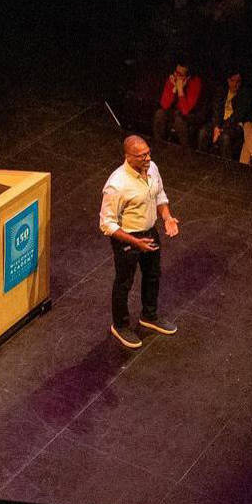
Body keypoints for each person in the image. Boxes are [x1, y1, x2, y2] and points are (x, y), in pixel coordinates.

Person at [99, 136, 182, 349]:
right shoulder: (117, 184)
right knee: (124, 282)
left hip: (150, 232)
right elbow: (106, 224)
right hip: (128, 238)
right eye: (142, 155)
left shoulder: (152, 168)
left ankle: (149, 315)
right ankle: (120, 325)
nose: (148, 157)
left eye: (148, 152)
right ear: (128, 156)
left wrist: (167, 218)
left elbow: (159, 195)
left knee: (153, 275)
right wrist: (135, 242)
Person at [202, 69, 252, 160]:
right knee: (203, 132)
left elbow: (237, 115)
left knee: (225, 137)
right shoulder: (222, 91)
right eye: (233, 81)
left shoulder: (243, 95)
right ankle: (201, 160)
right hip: (220, 123)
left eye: (238, 82)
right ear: (228, 80)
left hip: (234, 125)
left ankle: (227, 166)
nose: (236, 84)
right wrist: (217, 126)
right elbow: (216, 109)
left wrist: (221, 129)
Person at [150, 61, 203, 148]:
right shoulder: (172, 79)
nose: (176, 75)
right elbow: (164, 105)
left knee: (179, 120)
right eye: (176, 72)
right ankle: (158, 147)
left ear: (187, 77)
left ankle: (186, 151)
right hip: (175, 112)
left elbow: (186, 111)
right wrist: (174, 89)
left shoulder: (195, 82)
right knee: (160, 113)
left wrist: (180, 90)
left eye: (180, 74)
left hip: (192, 115)